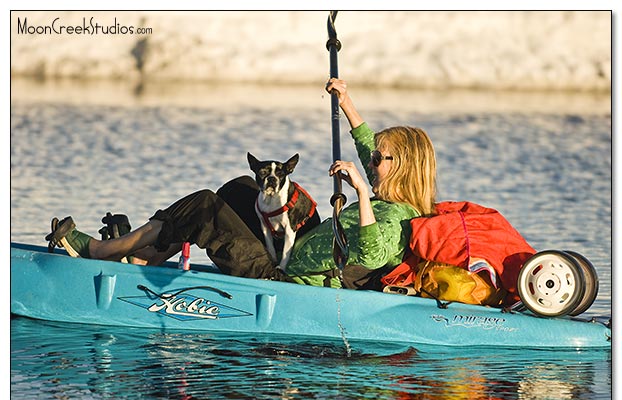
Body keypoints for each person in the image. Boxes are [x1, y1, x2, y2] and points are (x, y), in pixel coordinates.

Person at [46, 78, 437, 289]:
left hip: (288, 278)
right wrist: (346, 102)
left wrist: (361, 194)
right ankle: (146, 255)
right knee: (239, 190)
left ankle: (102, 250)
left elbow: (370, 253)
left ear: (401, 168)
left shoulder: (395, 216)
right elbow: (368, 142)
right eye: (371, 158)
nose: (370, 161)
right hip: (296, 249)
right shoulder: (389, 188)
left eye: (378, 160)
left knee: (204, 205)